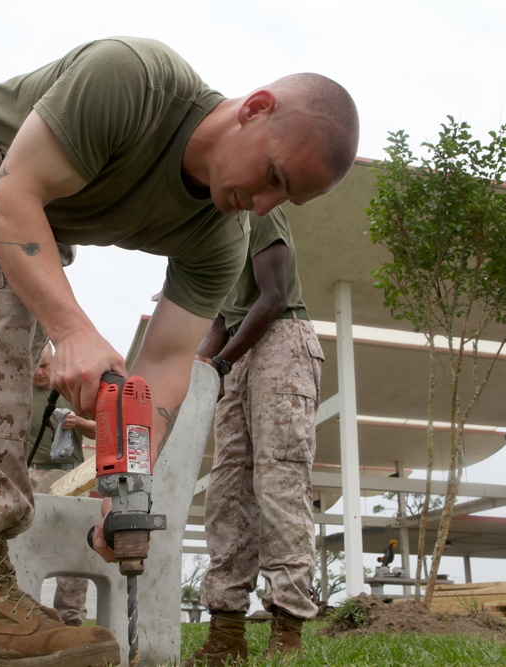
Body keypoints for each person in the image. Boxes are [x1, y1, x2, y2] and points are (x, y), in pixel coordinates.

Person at [0, 36, 359, 667]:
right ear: (255, 108)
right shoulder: (134, 79)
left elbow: (160, 372)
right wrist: (73, 331)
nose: (265, 204)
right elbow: (16, 195)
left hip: (30, 214)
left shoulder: (221, 237)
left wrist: (125, 487)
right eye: (273, 177)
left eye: (284, 200)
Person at [187, 206, 323, 665]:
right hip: (238, 353)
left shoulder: (259, 210)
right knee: (227, 490)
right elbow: (219, 319)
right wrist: (199, 369)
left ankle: (287, 628)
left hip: (282, 341)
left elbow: (274, 296)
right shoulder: (207, 230)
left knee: (278, 482)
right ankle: (226, 634)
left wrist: (220, 361)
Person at [27, 342, 94, 627]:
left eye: (44, 366)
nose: (38, 373)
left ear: (55, 363)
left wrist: (78, 422)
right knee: (28, 544)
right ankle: (25, 612)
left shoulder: (72, 390)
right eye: (33, 366)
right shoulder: (18, 392)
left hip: (72, 477)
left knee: (75, 547)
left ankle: (71, 619)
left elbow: (104, 429)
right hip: (30, 475)